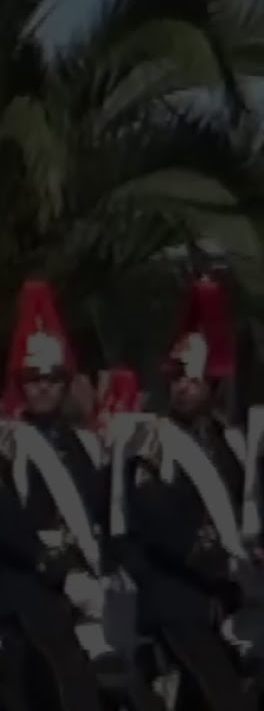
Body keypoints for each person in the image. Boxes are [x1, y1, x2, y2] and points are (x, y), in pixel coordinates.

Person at [0, 279, 108, 711]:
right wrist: (58, 571)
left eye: (52, 378)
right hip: (25, 588)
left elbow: (100, 512)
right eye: (34, 378)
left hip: (85, 590)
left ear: (66, 383)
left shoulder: (83, 446)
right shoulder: (1, 445)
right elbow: (4, 519)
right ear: (21, 384)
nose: (44, 387)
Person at [124, 276, 256, 711]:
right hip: (174, 594)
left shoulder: (228, 439)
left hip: (219, 599)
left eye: (192, 379)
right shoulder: (153, 439)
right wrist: (212, 556)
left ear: (212, 381)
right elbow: (154, 515)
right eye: (176, 378)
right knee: (227, 699)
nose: (182, 387)